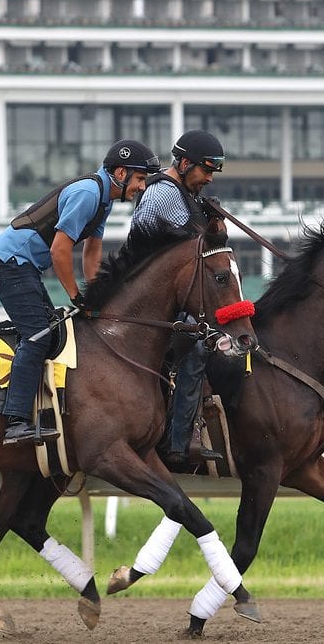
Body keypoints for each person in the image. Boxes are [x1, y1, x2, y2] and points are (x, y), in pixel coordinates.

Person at [0, 138, 161, 446]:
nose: (142, 187)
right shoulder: (88, 193)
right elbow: (60, 250)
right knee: (38, 335)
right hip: (8, 262)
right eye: (140, 179)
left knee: (51, 335)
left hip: (23, 266)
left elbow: (91, 252)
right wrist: (76, 297)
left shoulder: (104, 199)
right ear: (120, 173)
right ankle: (15, 422)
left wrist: (96, 295)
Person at [131, 129, 227, 465]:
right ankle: (180, 441)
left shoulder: (190, 195)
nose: (209, 179)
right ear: (184, 163)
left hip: (176, 299)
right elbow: (140, 251)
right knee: (198, 346)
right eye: (205, 170)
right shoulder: (161, 195)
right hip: (153, 305)